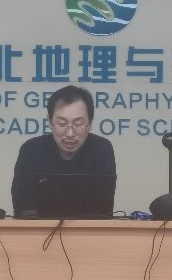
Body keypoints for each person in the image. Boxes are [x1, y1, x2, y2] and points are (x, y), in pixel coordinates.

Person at [11, 85, 116, 216]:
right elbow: (23, 206)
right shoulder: (31, 150)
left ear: (89, 124)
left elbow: (103, 210)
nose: (70, 133)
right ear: (50, 122)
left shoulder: (101, 150)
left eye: (78, 124)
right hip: (39, 229)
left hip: (87, 229)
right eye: (62, 124)